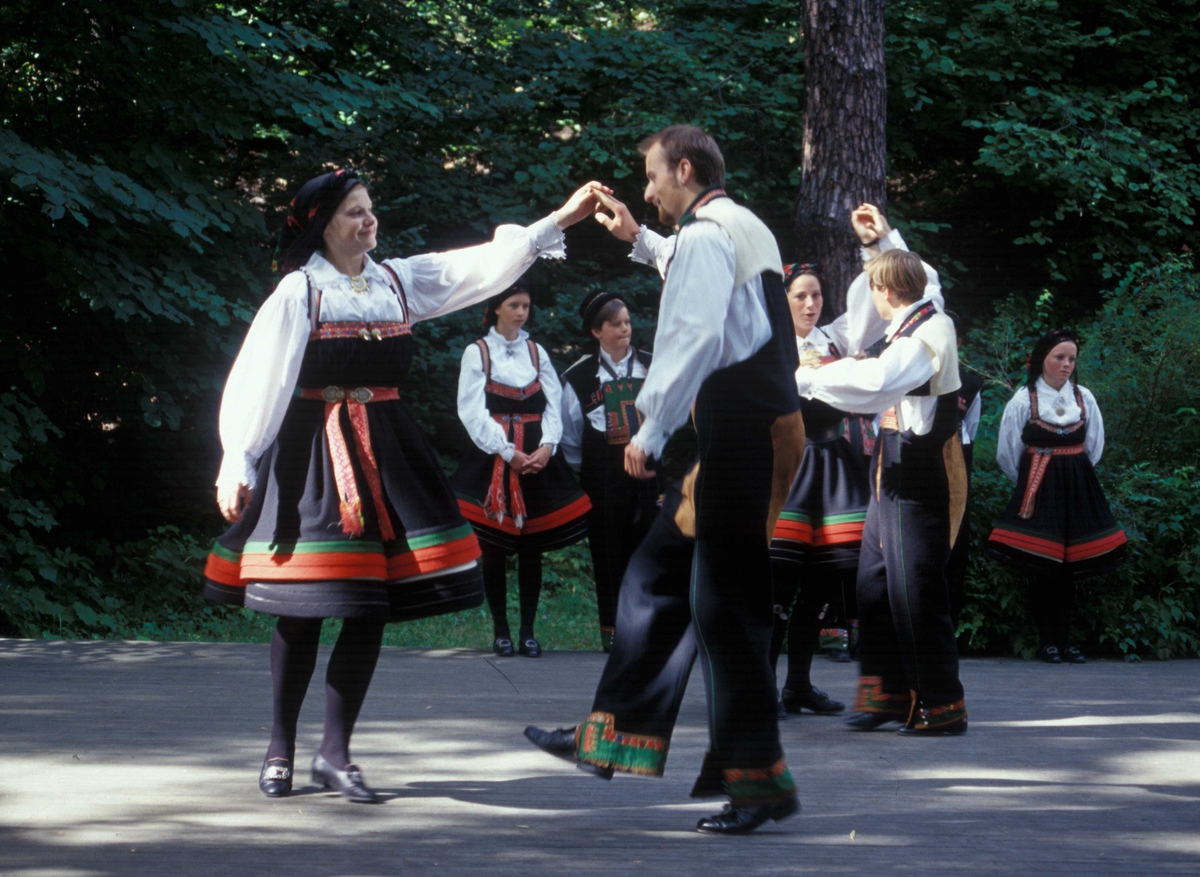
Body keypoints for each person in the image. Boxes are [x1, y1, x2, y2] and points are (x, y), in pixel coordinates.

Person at [202, 168, 603, 801]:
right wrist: (239, 457)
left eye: (370, 209)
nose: (369, 221)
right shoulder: (300, 293)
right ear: (322, 225)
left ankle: (335, 754)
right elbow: (261, 376)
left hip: (386, 453)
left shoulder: (395, 280)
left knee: (369, 606)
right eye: (355, 213)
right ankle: (280, 746)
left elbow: (476, 269)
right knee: (303, 606)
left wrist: (559, 220)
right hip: (314, 454)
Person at [531, 125, 805, 834]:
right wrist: (637, 240)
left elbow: (695, 332)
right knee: (656, 577)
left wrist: (648, 430)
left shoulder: (710, 236)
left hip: (739, 437)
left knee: (725, 605)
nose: (646, 191)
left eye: (651, 177)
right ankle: (608, 737)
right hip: (748, 433)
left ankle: (757, 783)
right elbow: (712, 293)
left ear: (684, 169)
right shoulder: (736, 225)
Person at [796, 204, 969, 736]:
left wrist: (806, 378)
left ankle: (940, 703)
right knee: (872, 581)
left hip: (917, 469)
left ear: (886, 293)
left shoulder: (928, 333)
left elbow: (873, 384)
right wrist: (881, 242)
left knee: (913, 586)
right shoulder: (920, 309)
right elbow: (924, 278)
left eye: (874, 287)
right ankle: (887, 695)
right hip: (889, 464)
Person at [451, 285, 592, 658]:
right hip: (494, 456)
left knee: (533, 548)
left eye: (526, 305)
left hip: (536, 457)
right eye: (513, 305)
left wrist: (547, 446)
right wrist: (507, 451)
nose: (520, 312)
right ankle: (501, 632)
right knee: (494, 549)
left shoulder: (536, 351)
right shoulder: (477, 351)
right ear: (496, 307)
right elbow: (471, 410)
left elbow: (553, 402)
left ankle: (528, 631)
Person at [767, 263, 871, 717]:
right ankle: (761, 687)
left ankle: (799, 685)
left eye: (816, 296)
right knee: (777, 585)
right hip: (790, 468)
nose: (811, 305)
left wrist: (878, 247)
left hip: (833, 468)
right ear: (782, 301)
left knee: (821, 583)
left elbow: (873, 305)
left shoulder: (835, 339)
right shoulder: (768, 346)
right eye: (800, 297)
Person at [987, 330, 1126, 663]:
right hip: (1038, 490)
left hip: (1077, 489)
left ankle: (1065, 640)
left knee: (1071, 566)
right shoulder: (1024, 399)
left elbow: (1094, 446)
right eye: (1059, 357)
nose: (1066, 365)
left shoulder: (1084, 397)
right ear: (1041, 359)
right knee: (1043, 565)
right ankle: (1048, 641)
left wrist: (1072, 474)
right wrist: (1032, 485)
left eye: (1071, 359)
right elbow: (1008, 453)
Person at [560, 290, 657, 651]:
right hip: (602, 477)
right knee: (608, 551)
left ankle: (647, 629)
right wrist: (595, 467)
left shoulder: (652, 365)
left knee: (648, 550)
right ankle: (613, 632)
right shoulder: (579, 377)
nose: (625, 329)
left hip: (649, 474)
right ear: (596, 331)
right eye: (615, 324)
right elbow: (570, 436)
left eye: (628, 322)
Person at [944, 311, 984, 632]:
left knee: (955, 542)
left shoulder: (970, 385)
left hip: (957, 462)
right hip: (917, 464)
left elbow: (971, 429)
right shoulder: (908, 377)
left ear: (958, 341)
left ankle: (948, 626)